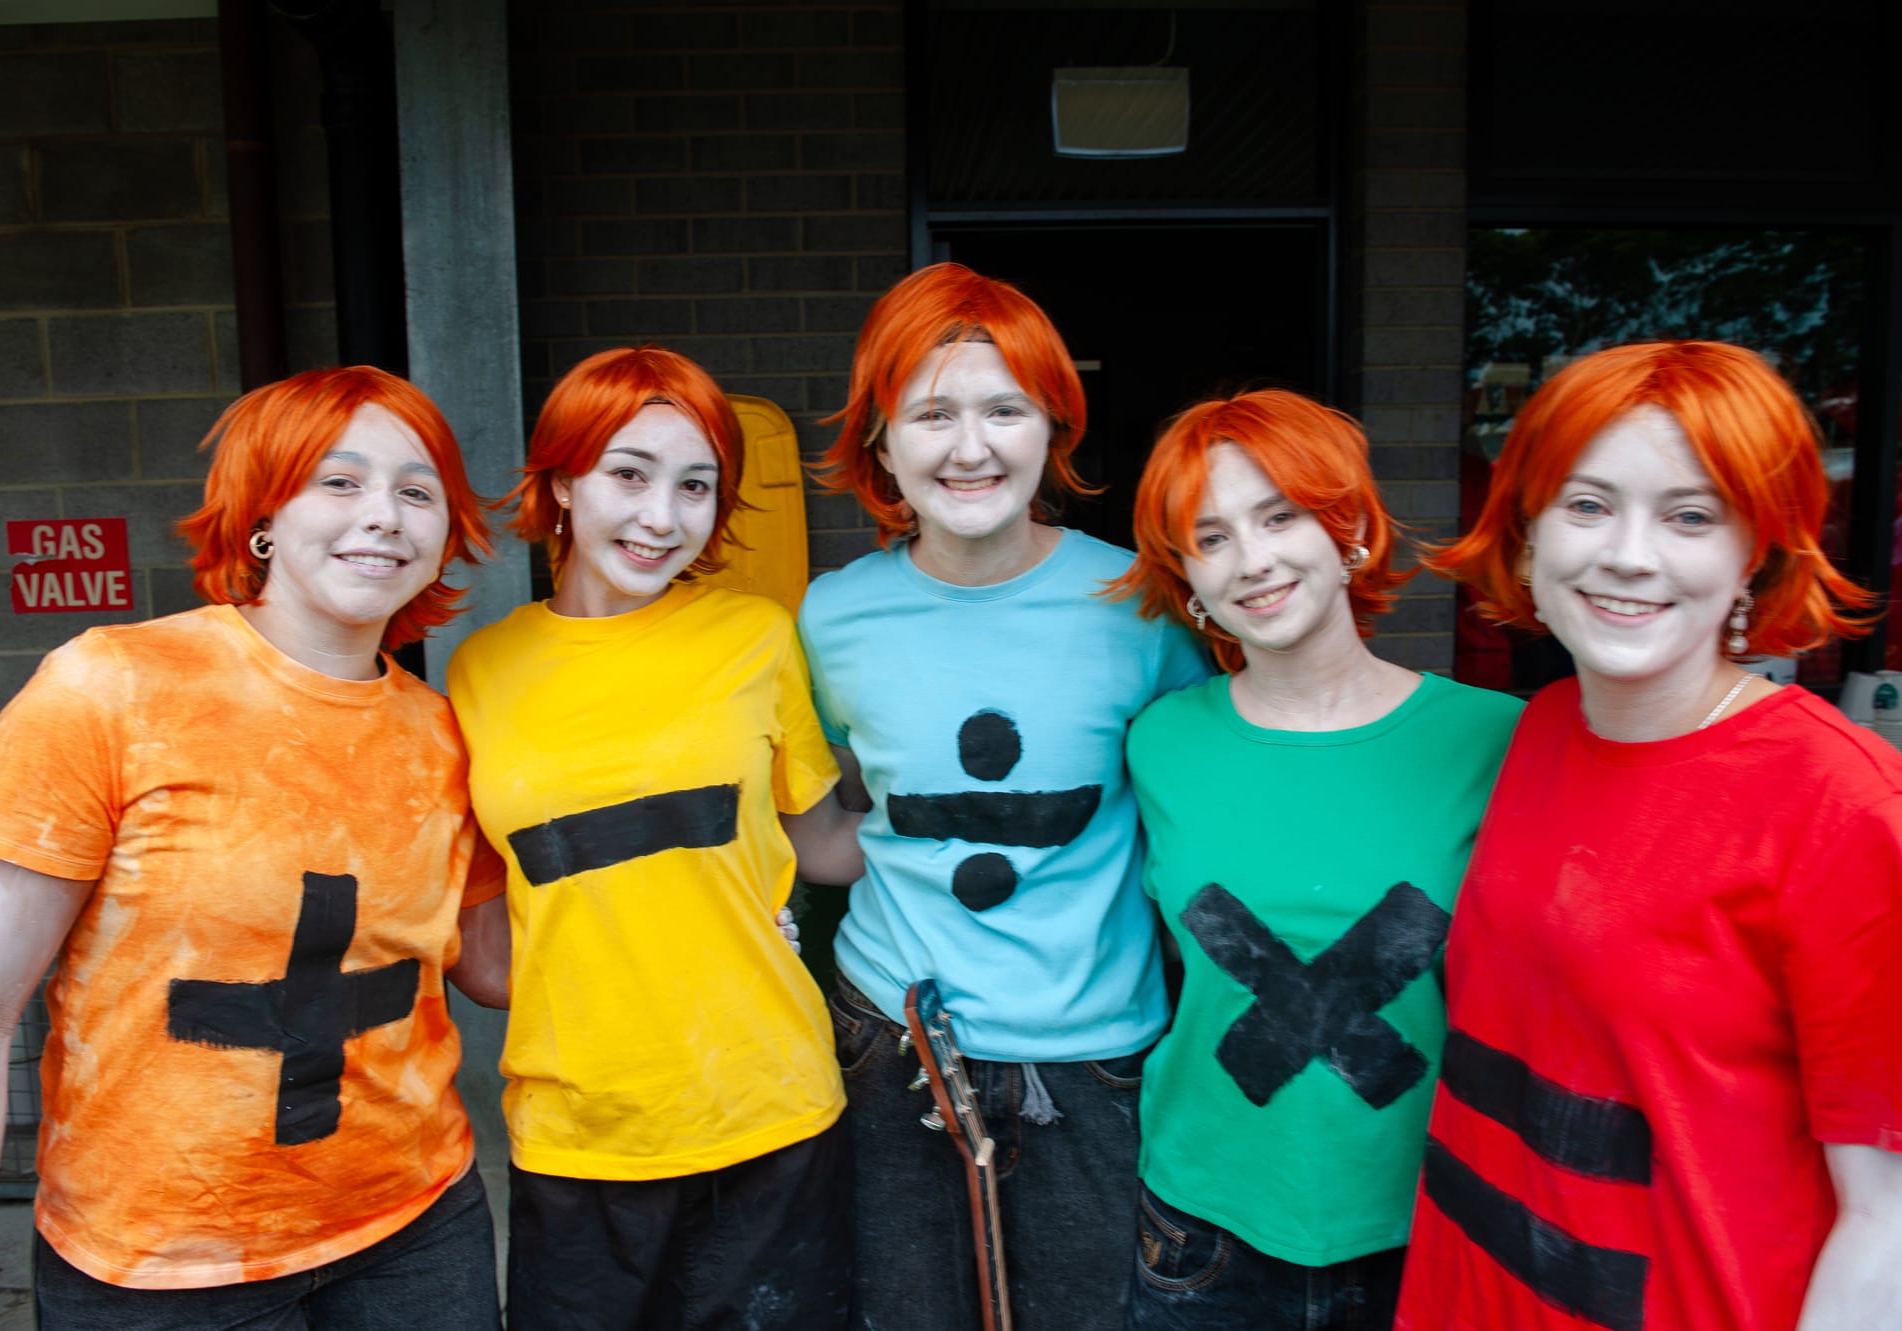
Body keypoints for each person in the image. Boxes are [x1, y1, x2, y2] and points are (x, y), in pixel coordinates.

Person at [0, 366, 505, 1331]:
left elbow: (489, 964)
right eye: (339, 481)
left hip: (417, 1229)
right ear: (264, 512)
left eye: (417, 490)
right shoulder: (109, 689)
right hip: (157, 1268)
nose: (384, 515)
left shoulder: (444, 733)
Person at [1395, 340, 1902, 1331]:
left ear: (1754, 547)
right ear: (1527, 525)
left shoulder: (1840, 807)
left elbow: (1882, 1218)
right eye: (1586, 504)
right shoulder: (1540, 726)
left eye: (1688, 516)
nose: (1627, 553)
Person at [798, 262, 1208, 1330]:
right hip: (890, 1037)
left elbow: (1187, 820)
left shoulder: (1141, 606)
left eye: (1003, 409)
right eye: (930, 412)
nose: (969, 446)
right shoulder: (829, 619)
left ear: (1052, 427)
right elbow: (853, 821)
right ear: (880, 441)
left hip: (1093, 1052)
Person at [444, 345, 862, 1331]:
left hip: (772, 1112)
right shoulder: (479, 670)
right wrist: (614, 962)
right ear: (559, 480)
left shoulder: (757, 635)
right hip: (578, 1129)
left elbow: (822, 846)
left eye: (695, 486)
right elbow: (481, 936)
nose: (660, 516)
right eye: (628, 474)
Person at [1107, 389, 1522, 1330]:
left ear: (1352, 532)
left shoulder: (1494, 740)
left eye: (1280, 516)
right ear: (1186, 577)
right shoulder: (1159, 743)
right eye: (1209, 538)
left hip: (1433, 1222)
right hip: (1205, 1222)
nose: (1252, 560)